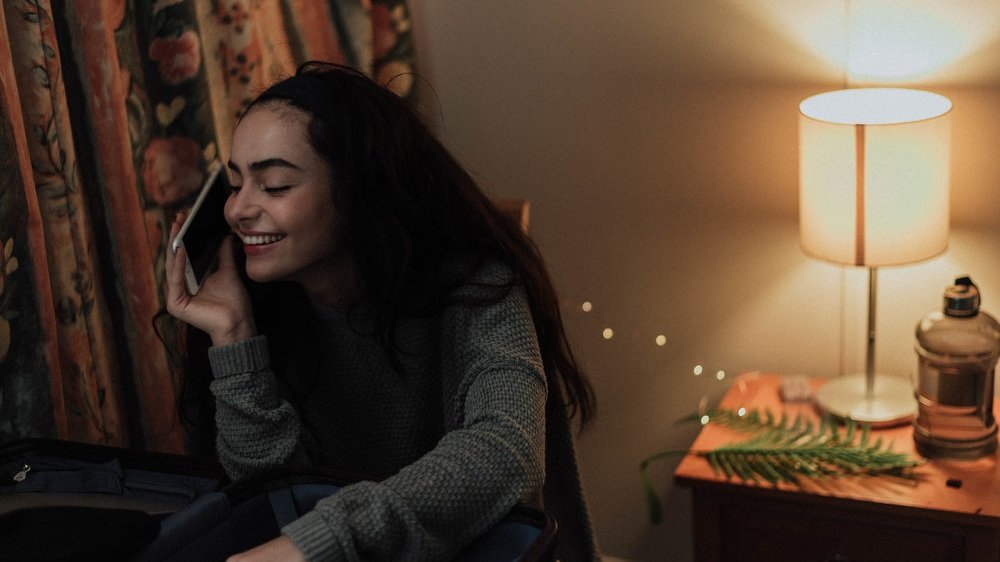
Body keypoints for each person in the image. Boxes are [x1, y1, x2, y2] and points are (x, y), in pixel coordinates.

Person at [164, 61, 598, 562]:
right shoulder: (255, 303)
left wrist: (329, 539)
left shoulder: (479, 287)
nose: (238, 210)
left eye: (275, 185)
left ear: (359, 190)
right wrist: (235, 338)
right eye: (235, 182)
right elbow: (271, 506)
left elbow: (507, 451)